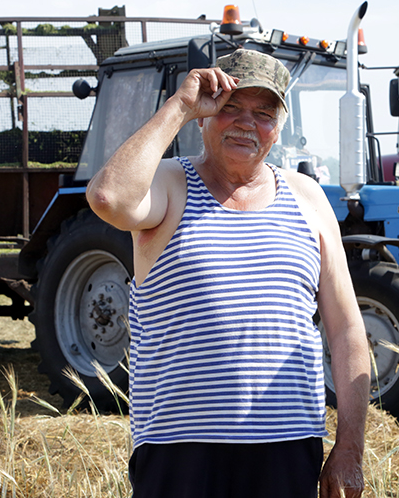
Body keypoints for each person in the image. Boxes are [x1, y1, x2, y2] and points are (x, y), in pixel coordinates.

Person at [86, 48, 370, 498]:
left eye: (264, 113)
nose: (246, 123)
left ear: (279, 127)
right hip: (180, 450)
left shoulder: (308, 198)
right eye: (229, 107)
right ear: (203, 116)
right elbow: (108, 198)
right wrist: (180, 105)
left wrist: (350, 448)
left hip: (286, 449)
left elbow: (347, 330)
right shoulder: (169, 184)